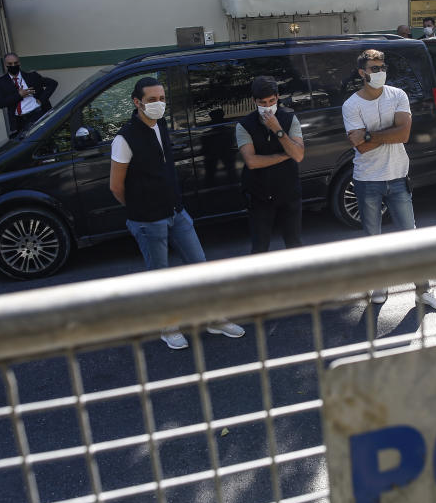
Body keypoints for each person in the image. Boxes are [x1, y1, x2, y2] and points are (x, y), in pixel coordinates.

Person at [109, 76, 245, 349]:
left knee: (200, 266)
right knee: (161, 276)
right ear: (137, 102)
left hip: (177, 212)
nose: (158, 104)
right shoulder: (124, 139)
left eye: (161, 99)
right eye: (151, 100)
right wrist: (140, 210)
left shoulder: (161, 126)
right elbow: (115, 186)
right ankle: (167, 327)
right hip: (148, 220)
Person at [342, 49, 436, 311]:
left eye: (382, 67)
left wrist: (369, 135)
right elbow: (361, 147)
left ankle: (423, 291)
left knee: (410, 237)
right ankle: (378, 285)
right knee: (373, 238)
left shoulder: (398, 95)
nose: (380, 72)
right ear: (362, 73)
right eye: (374, 68)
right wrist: (379, 136)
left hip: (398, 176)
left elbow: (403, 134)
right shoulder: (351, 105)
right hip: (367, 180)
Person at [236, 75, 305, 253]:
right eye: (262, 103)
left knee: (294, 245)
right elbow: (251, 161)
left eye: (271, 101)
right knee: (260, 247)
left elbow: (298, 155)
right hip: (260, 196)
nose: (267, 107)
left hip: (288, 193)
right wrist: (284, 155)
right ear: (254, 101)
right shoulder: (244, 125)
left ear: (277, 98)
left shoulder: (289, 119)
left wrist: (278, 130)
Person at [0, 52, 58, 136]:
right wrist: (19, 95)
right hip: (20, 121)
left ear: (19, 63)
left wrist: (41, 100)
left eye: (15, 63)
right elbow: (1, 103)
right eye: (10, 64)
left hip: (37, 114)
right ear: (5, 65)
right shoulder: (2, 82)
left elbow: (53, 83)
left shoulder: (31, 76)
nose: (13, 66)